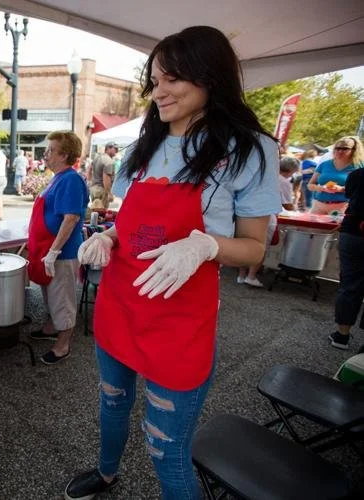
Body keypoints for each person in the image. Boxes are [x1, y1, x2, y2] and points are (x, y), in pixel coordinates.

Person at [68, 26, 280, 500]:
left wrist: (206, 246)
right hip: (121, 304)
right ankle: (106, 472)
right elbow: (132, 223)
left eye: (173, 79)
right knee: (112, 404)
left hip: (179, 323)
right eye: (155, 80)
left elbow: (253, 247)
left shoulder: (248, 148)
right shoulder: (145, 143)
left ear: (210, 76)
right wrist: (107, 235)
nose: (158, 92)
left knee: (166, 448)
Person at [27, 131, 88, 365]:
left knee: (63, 299)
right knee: (50, 295)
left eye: (51, 150)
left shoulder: (71, 179)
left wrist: (53, 252)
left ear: (64, 155)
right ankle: (52, 327)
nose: (46, 154)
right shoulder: (58, 178)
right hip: (47, 250)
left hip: (62, 253)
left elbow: (70, 218)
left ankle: (63, 345)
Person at [237, 156, 299, 287]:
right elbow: (287, 205)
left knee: (243, 244)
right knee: (260, 247)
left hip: (246, 212)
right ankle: (251, 276)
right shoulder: (283, 182)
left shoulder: (262, 176)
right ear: (292, 170)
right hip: (266, 215)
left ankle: (241, 275)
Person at [327, 162, 364, 350]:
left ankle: (342, 335)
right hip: (354, 232)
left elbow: (350, 196)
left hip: (354, 232)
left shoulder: (358, 175)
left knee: (350, 284)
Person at [308, 136, 362, 215]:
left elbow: (360, 190)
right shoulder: (324, 164)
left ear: (354, 150)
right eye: (337, 148)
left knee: (335, 227)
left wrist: (342, 189)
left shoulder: (359, 166)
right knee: (313, 227)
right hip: (318, 206)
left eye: (345, 149)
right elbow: (310, 185)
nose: (340, 151)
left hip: (343, 207)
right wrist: (321, 188)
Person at [89, 142, 118, 209]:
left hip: (94, 189)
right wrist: (109, 193)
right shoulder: (109, 161)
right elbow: (106, 178)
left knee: (94, 212)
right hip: (102, 190)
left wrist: (90, 182)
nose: (116, 151)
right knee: (101, 214)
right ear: (108, 148)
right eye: (115, 149)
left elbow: (89, 170)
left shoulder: (97, 157)